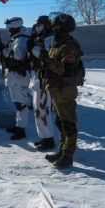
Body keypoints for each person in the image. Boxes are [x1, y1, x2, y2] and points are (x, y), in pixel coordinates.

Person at [32, 13, 84, 168]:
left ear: (63, 27)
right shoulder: (57, 43)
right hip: (56, 87)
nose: (53, 28)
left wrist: (43, 57)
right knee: (60, 122)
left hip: (65, 88)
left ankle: (68, 156)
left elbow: (64, 68)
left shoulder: (69, 46)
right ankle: (62, 151)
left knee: (68, 123)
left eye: (56, 25)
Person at [27, 15, 55, 150]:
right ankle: (44, 136)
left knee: (43, 109)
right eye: (36, 25)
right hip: (37, 75)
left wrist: (37, 51)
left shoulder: (50, 38)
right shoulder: (39, 38)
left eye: (39, 25)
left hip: (45, 77)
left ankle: (48, 139)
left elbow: (49, 58)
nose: (36, 27)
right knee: (38, 108)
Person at [1, 17, 32, 140]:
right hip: (15, 76)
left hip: (19, 76)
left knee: (21, 104)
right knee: (18, 103)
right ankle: (18, 125)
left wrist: (5, 51)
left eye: (9, 28)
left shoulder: (21, 39)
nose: (8, 30)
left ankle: (21, 130)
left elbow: (18, 56)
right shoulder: (18, 38)